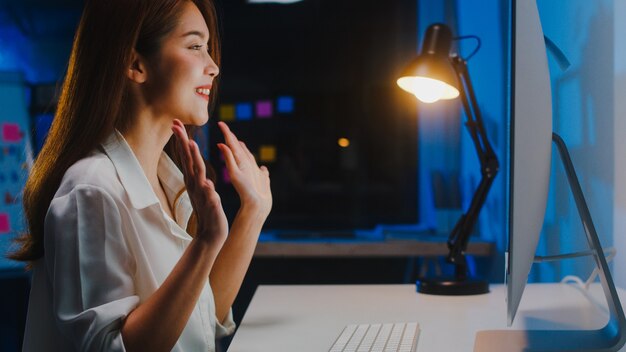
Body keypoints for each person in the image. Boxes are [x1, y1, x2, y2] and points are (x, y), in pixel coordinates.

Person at [10, 0, 272, 350]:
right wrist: (206, 242)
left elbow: (199, 322)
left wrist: (252, 213)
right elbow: (112, 347)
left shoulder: (169, 181)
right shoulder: (92, 189)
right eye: (195, 46)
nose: (213, 67)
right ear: (135, 63)